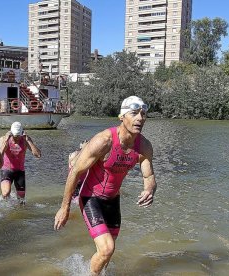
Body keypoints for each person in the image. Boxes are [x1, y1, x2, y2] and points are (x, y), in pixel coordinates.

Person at [54, 96, 157, 275]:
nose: (140, 118)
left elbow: (149, 175)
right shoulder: (104, 141)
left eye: (143, 114)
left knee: (107, 254)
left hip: (113, 201)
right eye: (134, 113)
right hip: (91, 198)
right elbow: (75, 172)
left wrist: (149, 189)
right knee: (107, 249)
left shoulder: (144, 146)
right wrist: (64, 208)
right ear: (122, 117)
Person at [0, 122, 41, 203]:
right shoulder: (3, 139)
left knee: (21, 200)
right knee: (5, 193)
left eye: (18, 136)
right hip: (7, 170)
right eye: (14, 136)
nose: (16, 138)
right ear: (11, 133)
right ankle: (5, 208)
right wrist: (5, 142)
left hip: (20, 171)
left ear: (22, 133)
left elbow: (38, 155)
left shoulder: (25, 140)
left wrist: (28, 141)